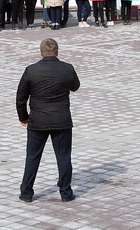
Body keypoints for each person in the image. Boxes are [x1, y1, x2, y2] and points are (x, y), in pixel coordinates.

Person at [16, 38, 81, 203]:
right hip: (62, 120)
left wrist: (23, 117)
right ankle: (66, 193)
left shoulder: (31, 70)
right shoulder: (67, 69)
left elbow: (20, 99)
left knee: (32, 157)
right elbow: (75, 86)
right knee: (64, 157)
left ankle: (26, 193)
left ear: (41, 52)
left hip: (37, 120)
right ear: (57, 52)